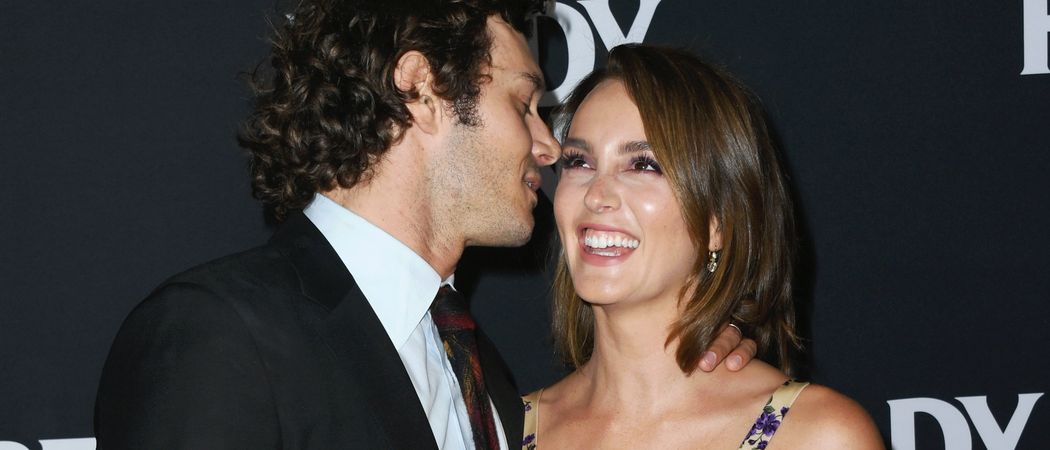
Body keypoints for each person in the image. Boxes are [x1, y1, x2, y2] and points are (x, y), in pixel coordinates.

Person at [93, 2, 755, 449]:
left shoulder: (488, 381)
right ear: (422, 91)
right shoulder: (215, 335)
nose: (547, 146)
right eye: (523, 103)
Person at [521, 44, 884, 449]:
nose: (596, 195)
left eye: (643, 165)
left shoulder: (817, 436)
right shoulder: (502, 430)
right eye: (579, 162)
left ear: (719, 221)